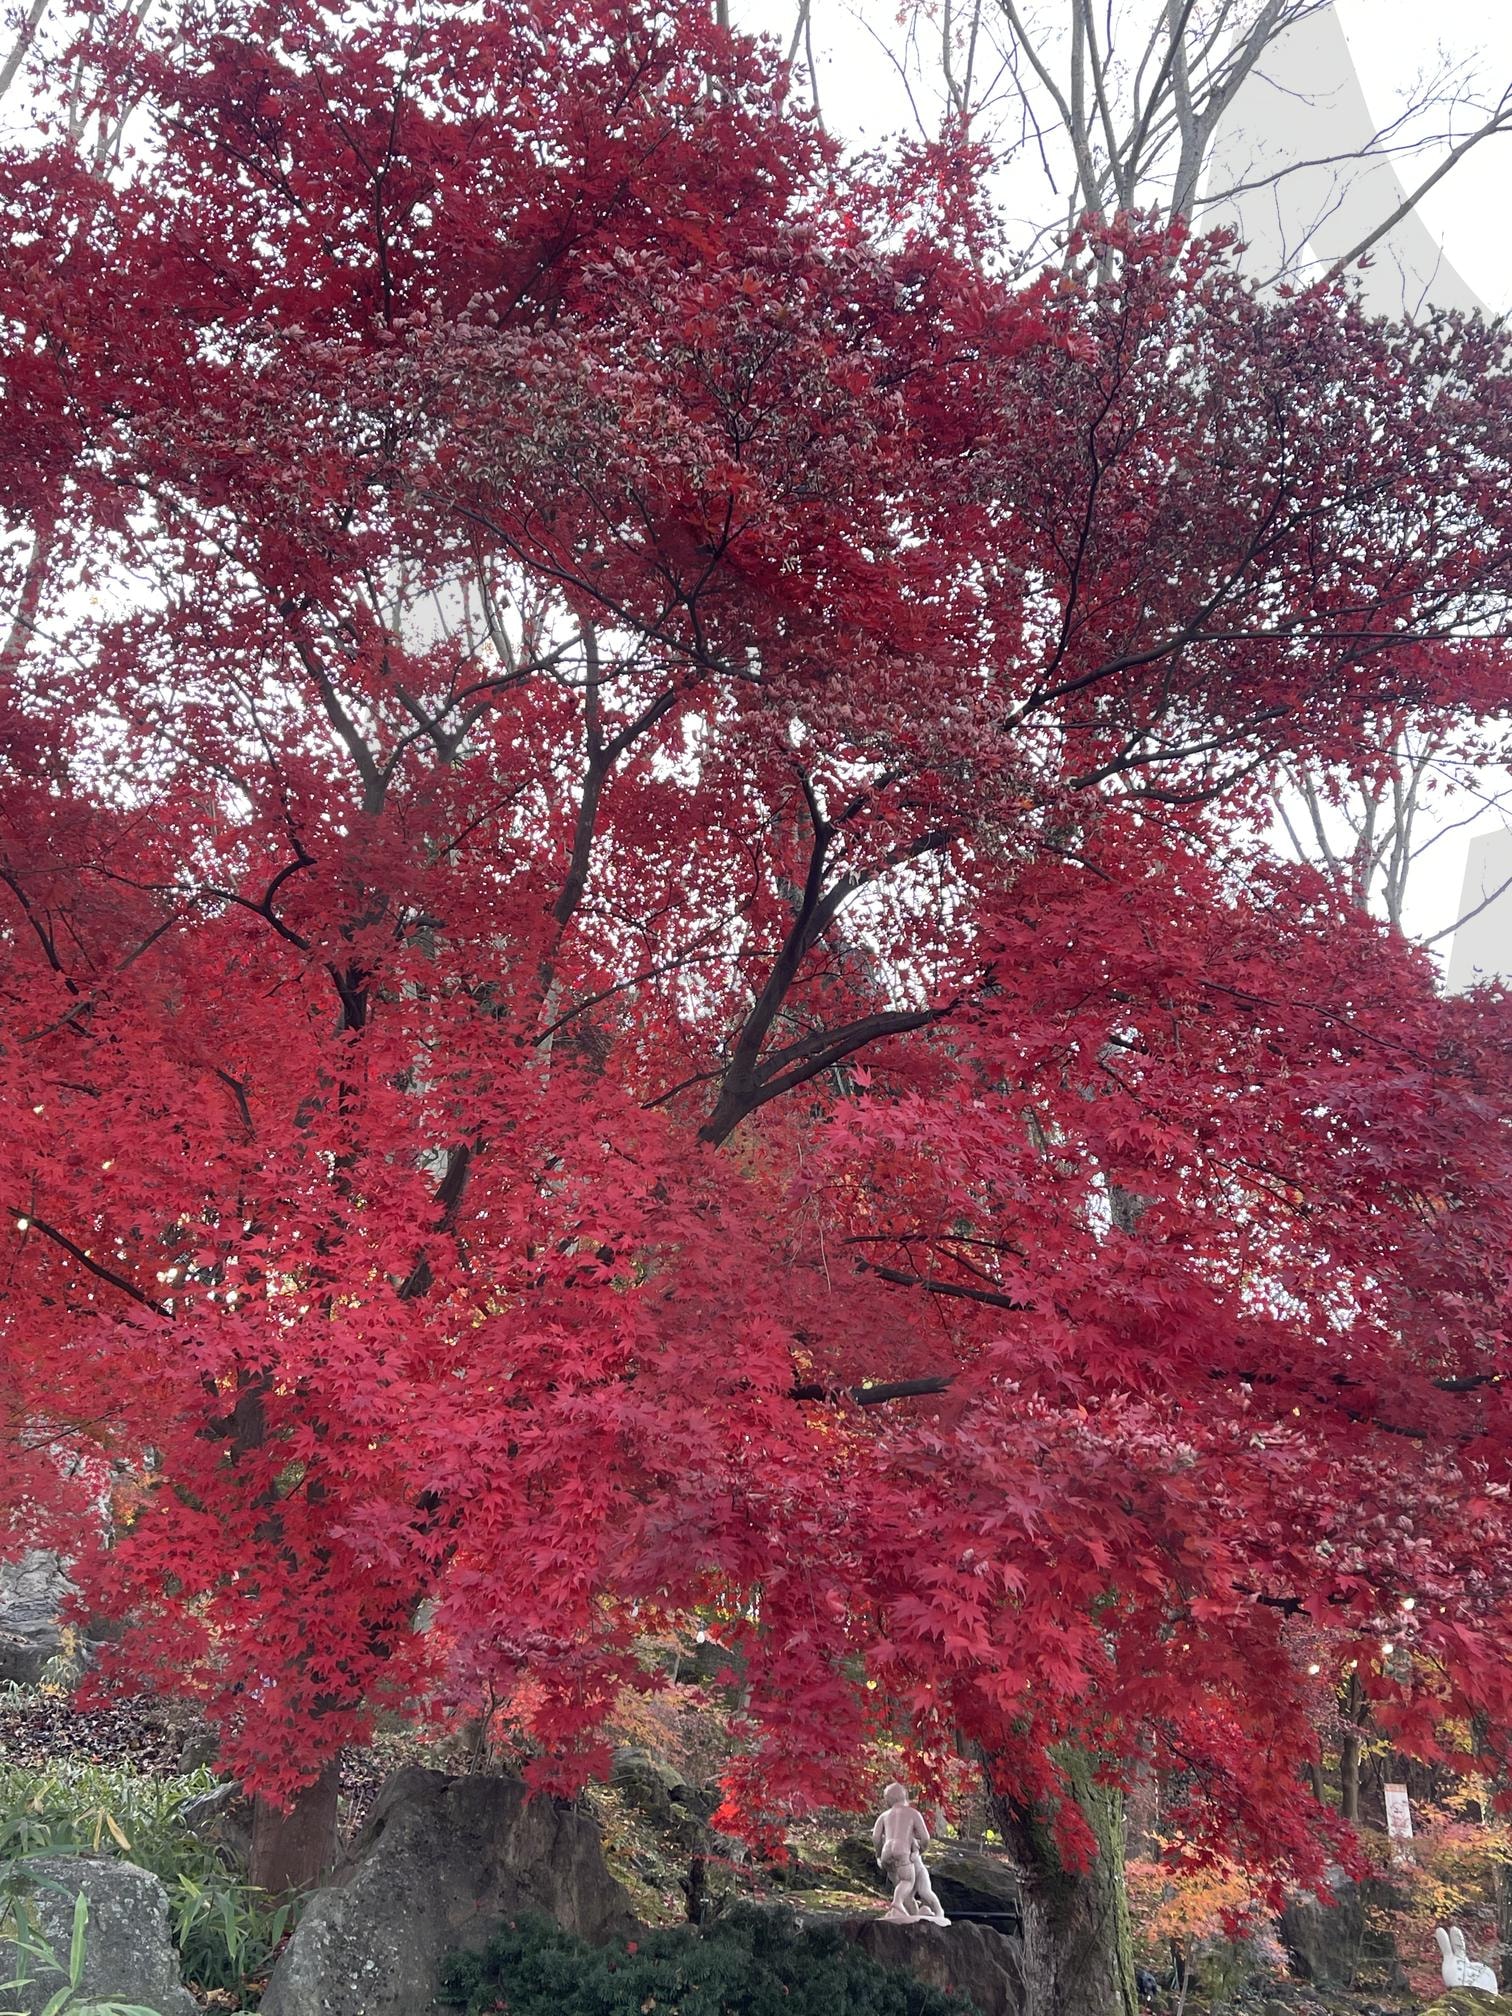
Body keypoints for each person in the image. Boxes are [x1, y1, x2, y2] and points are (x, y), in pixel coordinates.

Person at [872, 1782, 950, 1925]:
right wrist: (920, 1850)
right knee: (907, 1881)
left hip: (886, 1852)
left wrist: (878, 1855)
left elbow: (876, 1838)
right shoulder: (913, 1814)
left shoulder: (884, 1815)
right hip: (902, 1852)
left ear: (888, 1800)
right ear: (905, 1796)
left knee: (903, 1886)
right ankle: (897, 1904)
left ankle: (905, 1911)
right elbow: (926, 1838)